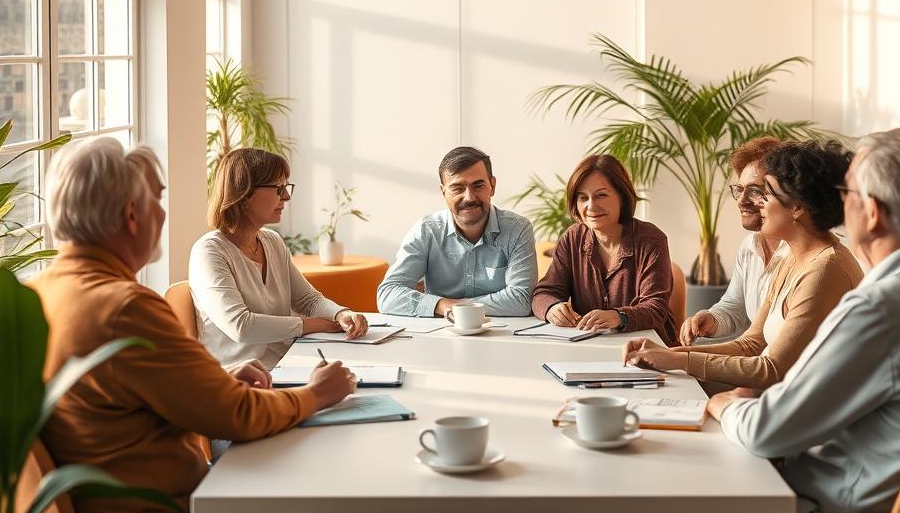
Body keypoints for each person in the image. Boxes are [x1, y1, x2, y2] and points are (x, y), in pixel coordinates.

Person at [646, 128, 900, 513]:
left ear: (873, 212)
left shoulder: (878, 309)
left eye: (847, 194)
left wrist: (725, 406)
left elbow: (766, 431)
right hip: (891, 511)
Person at [30, 138, 356, 513]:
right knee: (314, 512)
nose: (163, 214)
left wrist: (215, 381)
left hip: (100, 510)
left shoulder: (35, 295)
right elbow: (238, 417)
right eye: (158, 199)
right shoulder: (126, 307)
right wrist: (317, 393)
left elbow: (116, 403)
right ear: (133, 215)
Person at [624, 140, 862, 390]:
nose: (757, 203)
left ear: (797, 206)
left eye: (765, 194)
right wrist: (671, 353)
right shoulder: (794, 257)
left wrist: (675, 359)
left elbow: (772, 369)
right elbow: (751, 344)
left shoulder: (824, 270)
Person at [190, 148, 368, 371]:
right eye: (278, 188)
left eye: (286, 187)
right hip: (240, 379)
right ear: (245, 195)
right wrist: (307, 325)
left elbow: (309, 300)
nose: (286, 196)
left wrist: (341, 313)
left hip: (287, 365)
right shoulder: (209, 251)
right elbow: (241, 326)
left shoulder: (272, 241)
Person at [530, 154, 677, 344]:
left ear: (622, 197)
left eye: (601, 195)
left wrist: (619, 316)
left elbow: (656, 309)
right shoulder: (573, 237)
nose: (591, 206)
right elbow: (544, 293)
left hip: (650, 349)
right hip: (591, 347)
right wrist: (552, 308)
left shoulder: (651, 240)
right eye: (583, 198)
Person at [376, 146, 536, 317]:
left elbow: (522, 299)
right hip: (441, 334)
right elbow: (388, 294)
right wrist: (441, 305)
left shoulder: (517, 229)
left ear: (492, 186)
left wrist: (457, 307)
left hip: (503, 335)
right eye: (457, 188)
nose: (469, 197)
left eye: (478, 185)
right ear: (443, 191)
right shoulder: (426, 231)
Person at [679, 137, 789, 344]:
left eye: (755, 191)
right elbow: (735, 306)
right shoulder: (749, 247)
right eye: (739, 189)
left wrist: (681, 357)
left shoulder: (800, 255)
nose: (741, 200)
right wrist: (711, 319)